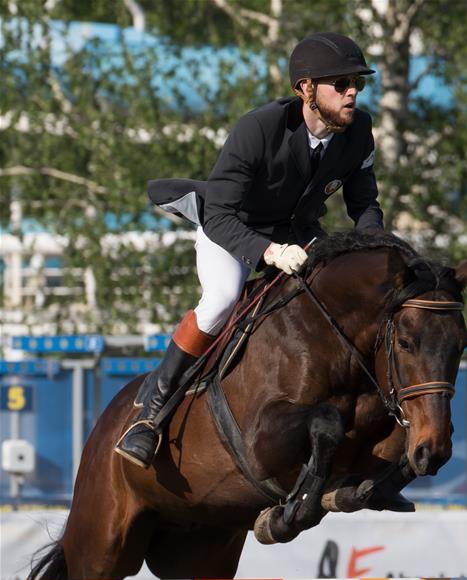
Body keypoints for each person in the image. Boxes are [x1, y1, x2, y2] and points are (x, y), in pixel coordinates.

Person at [116, 32, 384, 468]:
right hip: (231, 229)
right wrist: (270, 253)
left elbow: (364, 204)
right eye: (341, 83)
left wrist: (376, 254)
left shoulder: (359, 133)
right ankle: (151, 412)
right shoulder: (258, 128)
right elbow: (220, 215)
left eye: (358, 83)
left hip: (297, 233)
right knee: (221, 300)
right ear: (306, 89)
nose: (352, 91)